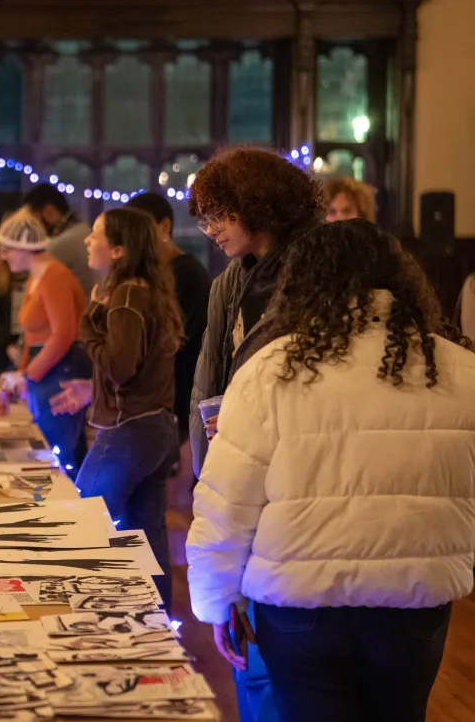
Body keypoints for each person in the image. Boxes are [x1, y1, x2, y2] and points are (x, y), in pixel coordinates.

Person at [186, 220, 475, 722]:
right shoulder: (458, 369)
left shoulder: (271, 369)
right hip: (414, 600)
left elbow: (226, 500)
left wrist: (217, 600)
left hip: (301, 605)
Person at [187, 146, 324, 722]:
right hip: (242, 466)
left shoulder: (319, 273)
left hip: (306, 472)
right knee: (256, 660)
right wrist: (205, 468)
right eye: (204, 216)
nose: (210, 228)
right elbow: (208, 381)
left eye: (220, 213)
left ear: (258, 206)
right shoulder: (231, 282)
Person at [71, 208, 184, 610]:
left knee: (82, 522)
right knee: (145, 534)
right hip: (156, 427)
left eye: (96, 234)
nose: (88, 240)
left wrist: (89, 324)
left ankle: (90, 619)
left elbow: (120, 368)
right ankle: (156, 625)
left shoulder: (126, 296)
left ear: (117, 250)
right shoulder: (146, 289)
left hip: (130, 429)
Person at [0, 208, 90, 475]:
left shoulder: (55, 276)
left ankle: (70, 513)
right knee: (46, 450)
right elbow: (31, 337)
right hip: (44, 372)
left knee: (58, 455)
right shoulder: (35, 279)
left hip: (60, 371)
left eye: (7, 249)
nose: (3, 256)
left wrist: (27, 374)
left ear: (24, 247)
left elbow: (63, 335)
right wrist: (22, 372)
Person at [128, 193, 211, 468]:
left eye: (140, 228)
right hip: (162, 401)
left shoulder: (186, 274)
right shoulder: (156, 275)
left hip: (179, 399)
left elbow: (171, 344)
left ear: (164, 226)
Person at [23, 184, 97, 299]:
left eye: (33, 221)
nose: (32, 229)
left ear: (49, 212)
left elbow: (34, 297)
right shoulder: (84, 230)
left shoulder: (59, 245)